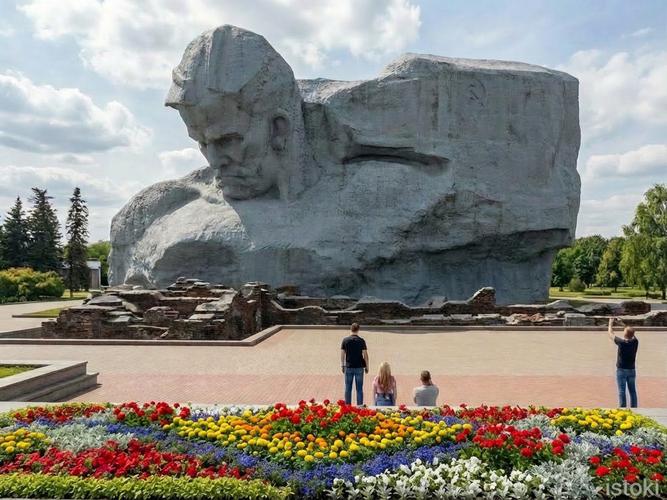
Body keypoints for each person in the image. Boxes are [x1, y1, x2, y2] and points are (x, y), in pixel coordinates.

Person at [607, 317, 639, 408]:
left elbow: (610, 333)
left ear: (624, 333)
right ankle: (634, 408)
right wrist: (622, 324)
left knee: (622, 391)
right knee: (632, 391)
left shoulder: (621, 343)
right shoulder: (635, 342)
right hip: (632, 370)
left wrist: (610, 323)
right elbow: (631, 332)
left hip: (621, 370)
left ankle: (622, 409)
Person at [341, 323, 368, 405]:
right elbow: (365, 355)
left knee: (348, 388)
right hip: (359, 367)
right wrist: (367, 366)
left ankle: (347, 407)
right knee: (359, 389)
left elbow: (342, 354)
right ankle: (359, 407)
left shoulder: (345, 340)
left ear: (351, 329)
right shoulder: (361, 341)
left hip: (349, 366)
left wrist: (342, 365)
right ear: (358, 330)